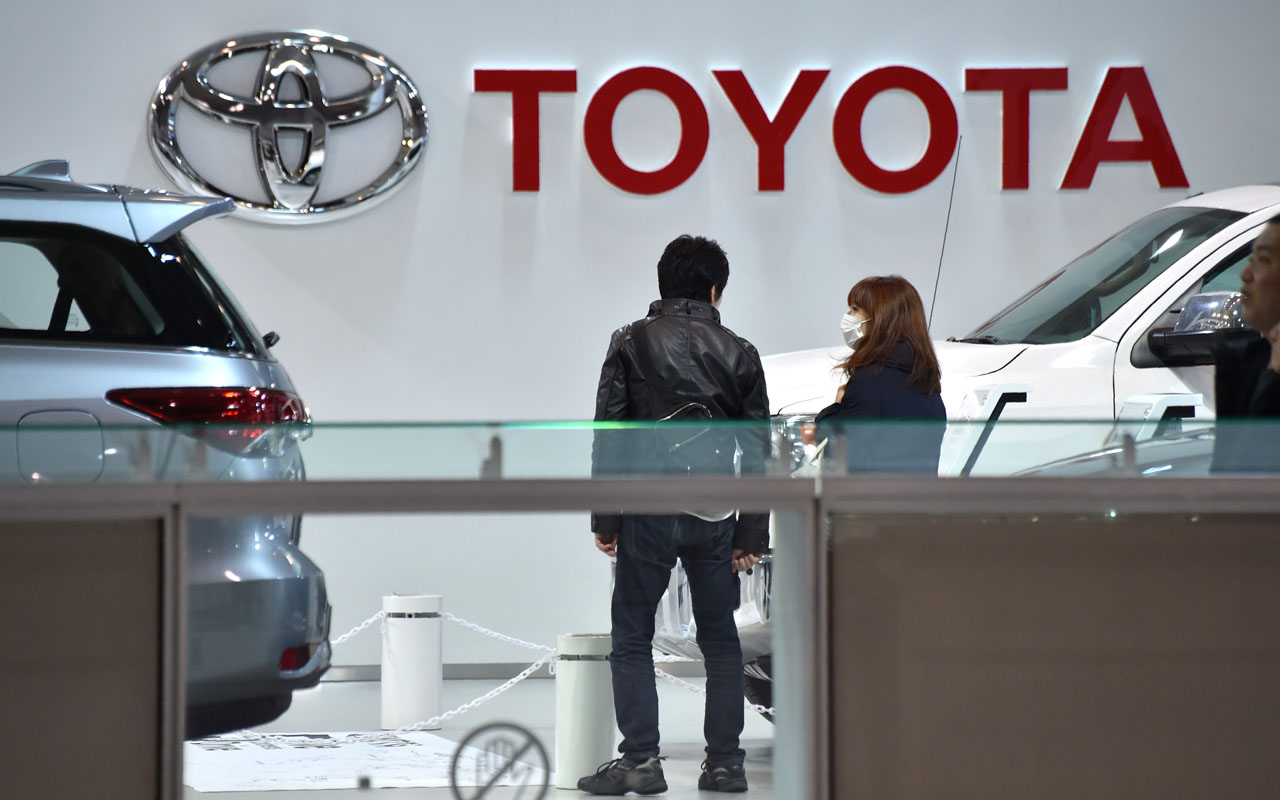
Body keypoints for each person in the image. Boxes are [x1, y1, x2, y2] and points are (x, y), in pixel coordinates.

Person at [582, 234, 770, 795]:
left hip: (648, 507)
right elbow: (758, 451)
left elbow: (610, 436)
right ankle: (726, 765)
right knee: (721, 641)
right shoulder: (741, 352)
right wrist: (752, 531)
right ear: (714, 290)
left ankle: (641, 761)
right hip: (715, 512)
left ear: (663, 284)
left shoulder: (630, 341)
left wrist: (606, 518)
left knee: (632, 635)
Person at [814, 275, 946, 473]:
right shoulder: (926, 380)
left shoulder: (870, 381)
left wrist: (835, 408)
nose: (848, 315)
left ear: (881, 318)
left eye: (855, 309)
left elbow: (839, 452)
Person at [1212, 214, 1280, 472]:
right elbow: (1232, 479)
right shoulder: (1244, 362)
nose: (1245, 274)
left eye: (1263, 260)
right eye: (1251, 260)